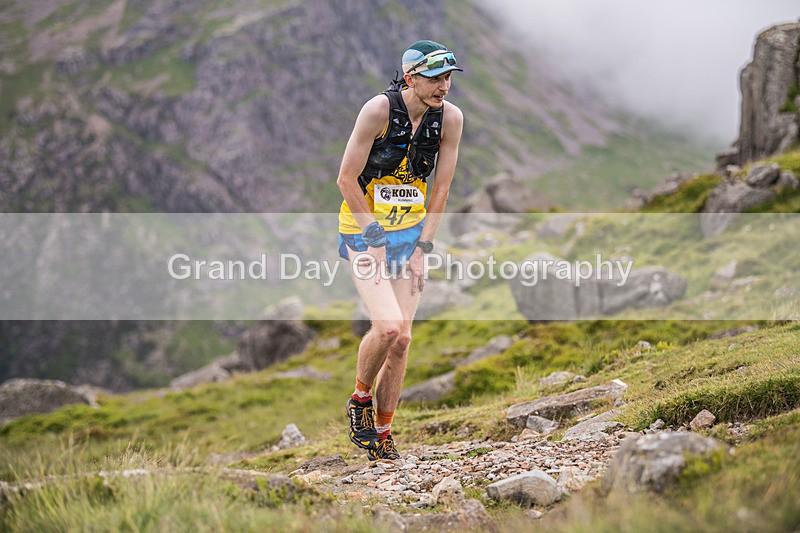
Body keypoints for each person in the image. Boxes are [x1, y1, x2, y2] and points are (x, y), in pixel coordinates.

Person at [337, 40, 464, 461]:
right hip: (364, 232)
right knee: (387, 327)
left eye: (448, 77)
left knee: (403, 340)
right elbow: (346, 179)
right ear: (410, 77)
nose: (444, 86)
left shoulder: (450, 119)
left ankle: (384, 435)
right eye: (435, 77)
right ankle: (359, 402)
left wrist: (422, 248)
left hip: (410, 236)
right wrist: (373, 237)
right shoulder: (377, 110)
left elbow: (441, 188)